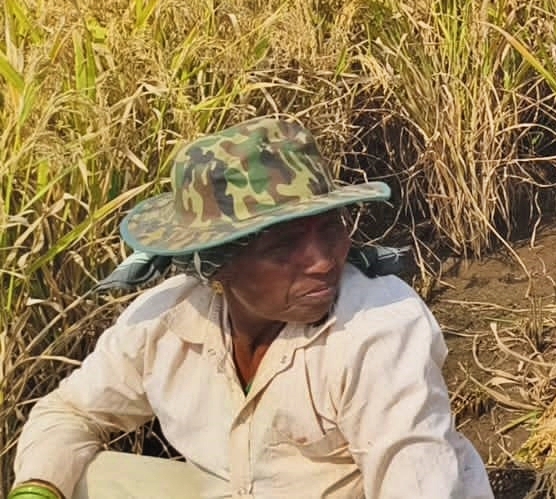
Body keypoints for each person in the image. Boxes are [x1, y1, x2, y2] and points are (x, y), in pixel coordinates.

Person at [10, 117, 493, 499]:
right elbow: (69, 412)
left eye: (330, 228)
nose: (325, 260)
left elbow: (416, 480)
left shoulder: (378, 326)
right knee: (81, 478)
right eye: (284, 246)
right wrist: (37, 488)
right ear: (217, 268)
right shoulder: (164, 322)